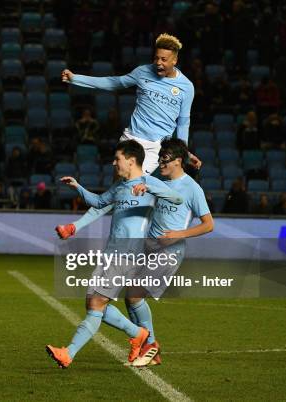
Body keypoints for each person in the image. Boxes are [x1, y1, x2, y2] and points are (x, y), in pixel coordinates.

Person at [57, 139, 214, 367]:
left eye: (165, 158)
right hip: (147, 246)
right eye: (159, 157)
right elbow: (106, 201)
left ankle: (148, 343)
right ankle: (145, 345)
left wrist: (178, 234)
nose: (160, 162)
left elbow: (208, 224)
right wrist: (79, 199)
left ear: (178, 161)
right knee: (127, 300)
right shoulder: (156, 179)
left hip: (169, 249)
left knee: (132, 295)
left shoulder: (191, 188)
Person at [62, 33, 200, 174]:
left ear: (175, 60)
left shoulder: (186, 87)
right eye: (156, 58)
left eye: (163, 59)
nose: (158, 62)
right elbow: (113, 82)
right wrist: (75, 78)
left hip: (156, 147)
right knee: (119, 184)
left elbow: (183, 122)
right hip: (131, 138)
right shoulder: (142, 72)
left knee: (133, 184)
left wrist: (184, 152)